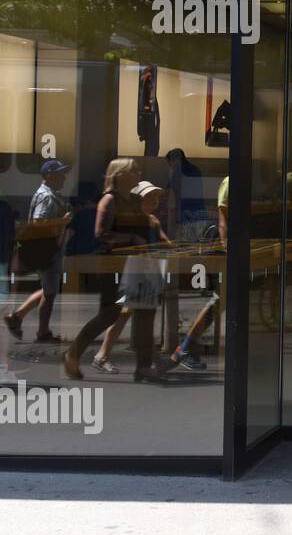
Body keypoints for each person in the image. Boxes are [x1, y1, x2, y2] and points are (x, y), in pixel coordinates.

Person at [63, 158, 145, 381]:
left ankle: (145, 364)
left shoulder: (133, 200)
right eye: (133, 171)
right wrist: (131, 238)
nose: (138, 174)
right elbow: (100, 234)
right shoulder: (109, 201)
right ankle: (73, 353)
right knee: (110, 313)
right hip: (111, 264)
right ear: (120, 175)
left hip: (131, 262)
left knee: (130, 309)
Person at [90, 182, 172, 373]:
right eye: (149, 196)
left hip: (148, 271)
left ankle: (105, 356)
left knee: (133, 314)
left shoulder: (152, 220)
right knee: (130, 314)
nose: (154, 200)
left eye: (156, 196)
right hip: (135, 271)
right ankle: (105, 356)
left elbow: (165, 242)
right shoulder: (131, 220)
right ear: (137, 199)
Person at [4, 160, 73, 343]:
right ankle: (43, 333)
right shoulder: (47, 196)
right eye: (60, 174)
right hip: (46, 248)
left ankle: (17, 317)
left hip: (46, 247)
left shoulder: (48, 194)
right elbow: (37, 222)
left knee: (47, 289)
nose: (64, 177)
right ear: (49, 176)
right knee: (50, 293)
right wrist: (62, 221)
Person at [164, 148, 207, 242]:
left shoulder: (178, 171)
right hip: (200, 213)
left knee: (188, 244)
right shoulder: (195, 169)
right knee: (198, 244)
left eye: (169, 163)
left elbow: (168, 190)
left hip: (187, 214)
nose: (170, 166)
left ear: (175, 160)